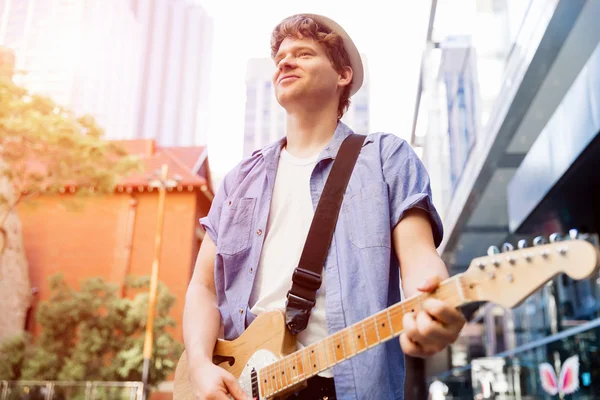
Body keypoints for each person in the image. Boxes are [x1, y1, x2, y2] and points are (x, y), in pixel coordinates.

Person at [182, 13, 466, 400]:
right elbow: (203, 288)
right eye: (280, 56)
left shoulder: (386, 157)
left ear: (343, 75)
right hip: (242, 387)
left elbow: (419, 256)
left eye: (303, 53)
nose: (285, 61)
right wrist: (199, 366)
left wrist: (429, 304)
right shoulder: (239, 179)